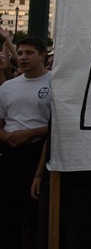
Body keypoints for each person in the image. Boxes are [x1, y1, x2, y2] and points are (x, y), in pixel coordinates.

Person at [0, 36, 52, 249]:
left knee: (34, 212)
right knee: (7, 209)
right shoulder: (8, 87)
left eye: (29, 53)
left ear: (42, 55)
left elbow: (59, 125)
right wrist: (7, 137)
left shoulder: (55, 83)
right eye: (20, 53)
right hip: (10, 151)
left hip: (39, 151)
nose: (23, 57)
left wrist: (30, 133)